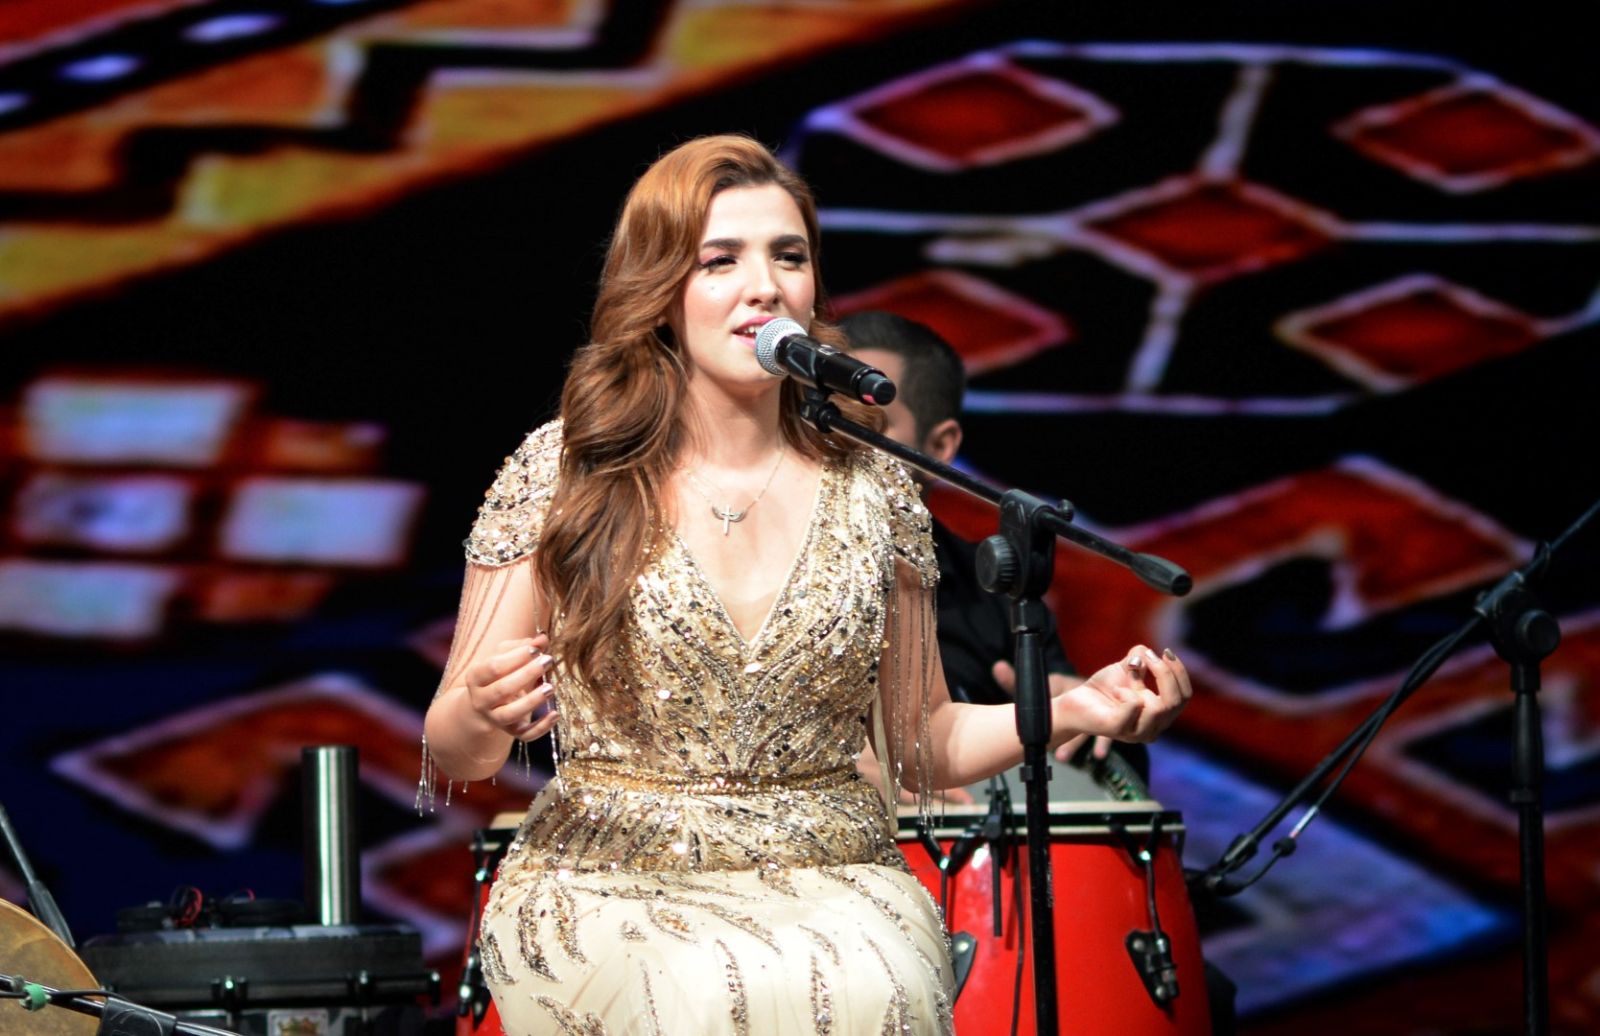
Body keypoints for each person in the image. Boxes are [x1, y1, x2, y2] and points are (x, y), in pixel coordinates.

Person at [419, 134, 1190, 1036]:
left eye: (788, 256)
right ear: (659, 289)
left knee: (872, 988)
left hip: (833, 880)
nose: (766, 286)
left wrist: (1074, 710)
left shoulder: (874, 487)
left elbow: (923, 739)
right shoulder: (567, 470)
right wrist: (483, 712)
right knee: (702, 992)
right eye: (720, 260)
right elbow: (453, 750)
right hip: (612, 878)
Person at [836, 310, 1149, 792]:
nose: (834, 439)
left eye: (866, 424)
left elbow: (1103, 776)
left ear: (939, 447)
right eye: (821, 417)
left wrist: (1085, 714)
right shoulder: (743, 562)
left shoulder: (999, 598)